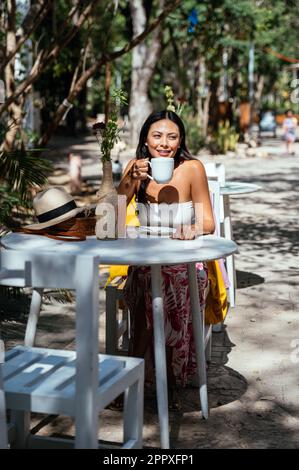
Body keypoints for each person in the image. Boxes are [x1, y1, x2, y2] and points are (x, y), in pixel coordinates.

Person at [117, 110, 215, 410]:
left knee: (168, 282)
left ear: (180, 140)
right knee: (150, 281)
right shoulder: (137, 168)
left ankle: (158, 381)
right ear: (145, 140)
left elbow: (209, 222)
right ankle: (159, 382)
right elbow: (113, 218)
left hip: (185, 263)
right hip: (147, 261)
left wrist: (192, 227)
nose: (164, 143)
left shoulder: (192, 168)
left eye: (171, 136)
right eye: (157, 136)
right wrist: (130, 182)